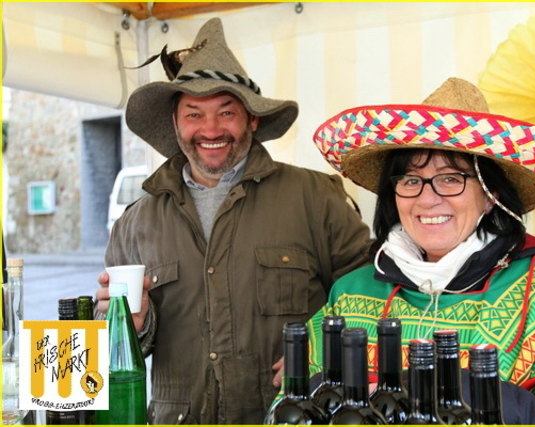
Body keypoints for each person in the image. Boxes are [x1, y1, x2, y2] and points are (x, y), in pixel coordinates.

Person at [306, 77, 535, 424]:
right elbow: (296, 406)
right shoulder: (350, 294)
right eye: (410, 180)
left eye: (451, 178)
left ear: (491, 195)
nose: (427, 198)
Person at [95, 17, 372, 424]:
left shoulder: (316, 197)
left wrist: (322, 347)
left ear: (253, 119)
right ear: (176, 124)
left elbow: (372, 292)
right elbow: (119, 351)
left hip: (289, 415)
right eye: (194, 114)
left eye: (226, 112)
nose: (210, 129)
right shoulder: (135, 223)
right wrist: (133, 324)